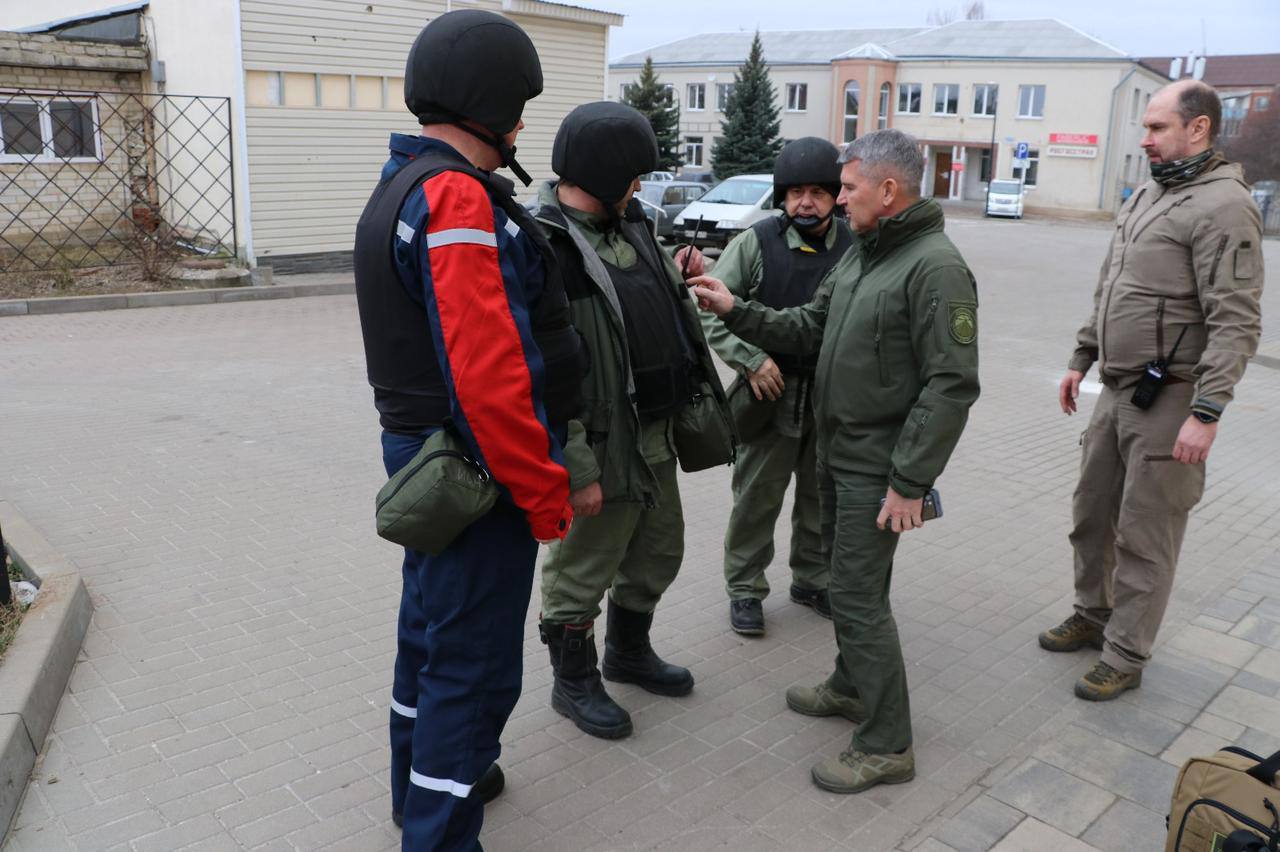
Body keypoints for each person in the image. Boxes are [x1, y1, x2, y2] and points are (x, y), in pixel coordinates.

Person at [352, 11, 596, 848]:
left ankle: (412, 793)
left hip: (427, 462)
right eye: (521, 103)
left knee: (427, 639)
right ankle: (441, 830)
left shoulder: (400, 180)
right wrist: (544, 496)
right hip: (475, 470)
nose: (523, 122)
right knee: (472, 669)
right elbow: (493, 382)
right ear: (492, 104)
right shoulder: (455, 197)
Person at [690, 128, 980, 794]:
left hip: (878, 465)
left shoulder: (934, 266)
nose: (834, 199)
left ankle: (886, 743)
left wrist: (910, 482)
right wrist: (737, 309)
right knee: (856, 590)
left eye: (845, 187)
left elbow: (951, 384)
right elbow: (809, 329)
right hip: (837, 449)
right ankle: (852, 685)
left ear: (886, 189)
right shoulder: (866, 255)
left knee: (855, 595)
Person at [1040, 79, 1264, 701]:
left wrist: (1208, 411)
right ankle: (1092, 614)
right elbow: (1113, 285)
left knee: (1145, 531)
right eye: (1145, 128)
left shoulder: (1224, 206)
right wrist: (1081, 356)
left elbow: (1236, 320)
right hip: (1116, 389)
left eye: (1158, 128)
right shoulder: (1149, 191)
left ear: (1199, 129)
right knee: (1091, 515)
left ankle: (1126, 652)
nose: (1145, 139)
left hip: (1172, 399)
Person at [533, 101, 735, 740]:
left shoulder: (635, 225)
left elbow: (636, 305)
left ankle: (626, 652)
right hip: (598, 443)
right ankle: (574, 683)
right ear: (601, 171)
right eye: (633, 175)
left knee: (656, 553)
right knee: (580, 571)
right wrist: (573, 466)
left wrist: (676, 278)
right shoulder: (548, 246)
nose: (641, 187)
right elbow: (542, 374)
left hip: (653, 433)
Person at [699, 136, 855, 636]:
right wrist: (751, 359)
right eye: (795, 193)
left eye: (817, 192)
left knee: (819, 494)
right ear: (781, 196)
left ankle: (812, 579)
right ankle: (745, 588)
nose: (805, 202)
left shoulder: (856, 248)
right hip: (768, 396)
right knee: (757, 498)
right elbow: (711, 311)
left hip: (831, 399)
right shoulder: (755, 243)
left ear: (836, 195)